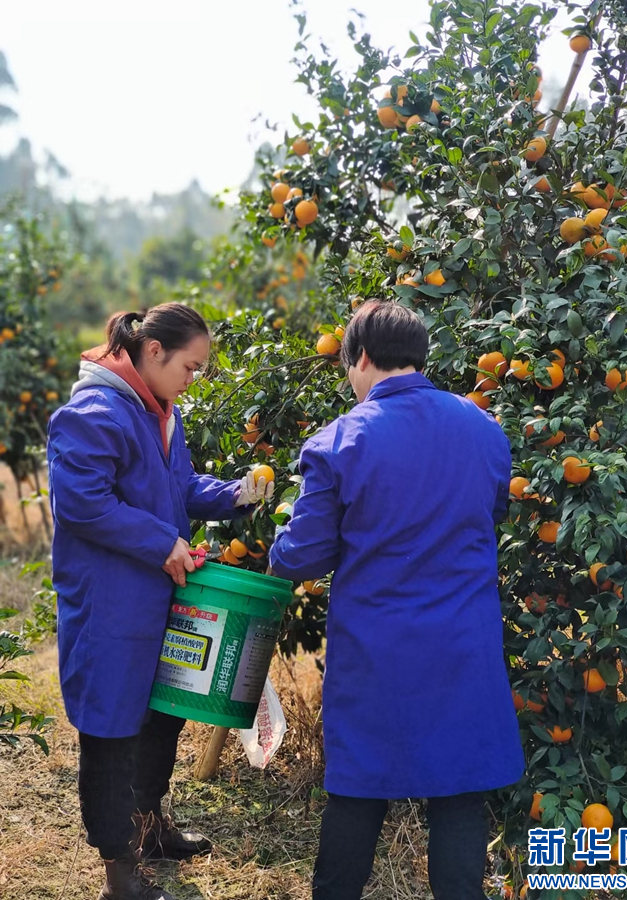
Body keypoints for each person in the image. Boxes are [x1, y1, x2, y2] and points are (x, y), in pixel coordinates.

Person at [269, 300, 524, 900]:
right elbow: (491, 515)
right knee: (459, 794)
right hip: (463, 644)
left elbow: (301, 557)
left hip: (377, 652)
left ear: (360, 357)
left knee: (359, 792)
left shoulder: (341, 441)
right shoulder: (482, 430)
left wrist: (283, 527)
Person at [47, 303, 273, 900]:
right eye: (191, 367)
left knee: (158, 717)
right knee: (111, 731)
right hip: (112, 605)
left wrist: (236, 495)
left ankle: (149, 829)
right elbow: (81, 504)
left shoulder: (160, 412)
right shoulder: (94, 413)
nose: (193, 379)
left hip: (157, 600)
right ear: (153, 352)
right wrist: (161, 542)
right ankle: (119, 874)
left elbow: (181, 487)